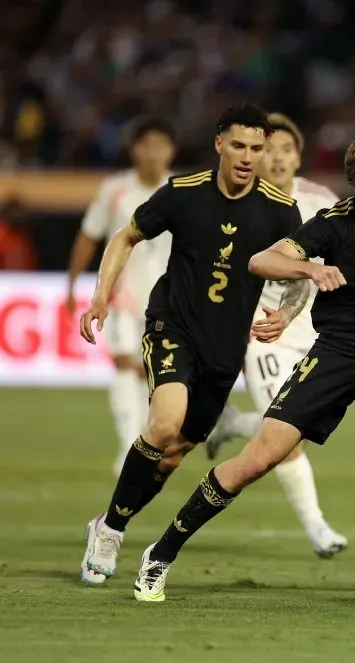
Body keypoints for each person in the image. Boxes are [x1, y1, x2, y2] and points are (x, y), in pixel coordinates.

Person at [131, 134, 355, 602]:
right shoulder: (333, 224)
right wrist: (311, 270)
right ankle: (161, 552)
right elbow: (260, 260)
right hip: (335, 354)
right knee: (257, 460)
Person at [78, 104, 306, 586]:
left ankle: (107, 518)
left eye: (257, 148)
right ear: (220, 145)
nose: (248, 157)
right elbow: (125, 236)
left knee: (175, 451)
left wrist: (285, 313)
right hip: (171, 326)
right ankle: (112, 534)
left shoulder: (281, 210)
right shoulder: (184, 193)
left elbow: (303, 272)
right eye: (239, 146)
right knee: (163, 424)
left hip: (224, 352)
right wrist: (100, 297)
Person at [203, 112, 348, 558]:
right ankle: (318, 529)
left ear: (298, 157)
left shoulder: (320, 198)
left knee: (296, 431)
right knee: (285, 434)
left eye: (288, 149)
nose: (279, 158)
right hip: (263, 330)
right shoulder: (238, 205)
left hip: (315, 327)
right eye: (271, 150)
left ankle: (230, 423)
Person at [66, 116, 176, 477]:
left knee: (154, 374)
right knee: (125, 364)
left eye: (161, 145)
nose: (154, 152)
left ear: (171, 151)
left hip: (169, 300)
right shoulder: (115, 189)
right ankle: (130, 446)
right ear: (134, 150)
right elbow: (89, 235)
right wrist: (72, 283)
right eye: (148, 144)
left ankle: (148, 442)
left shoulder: (181, 190)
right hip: (123, 300)